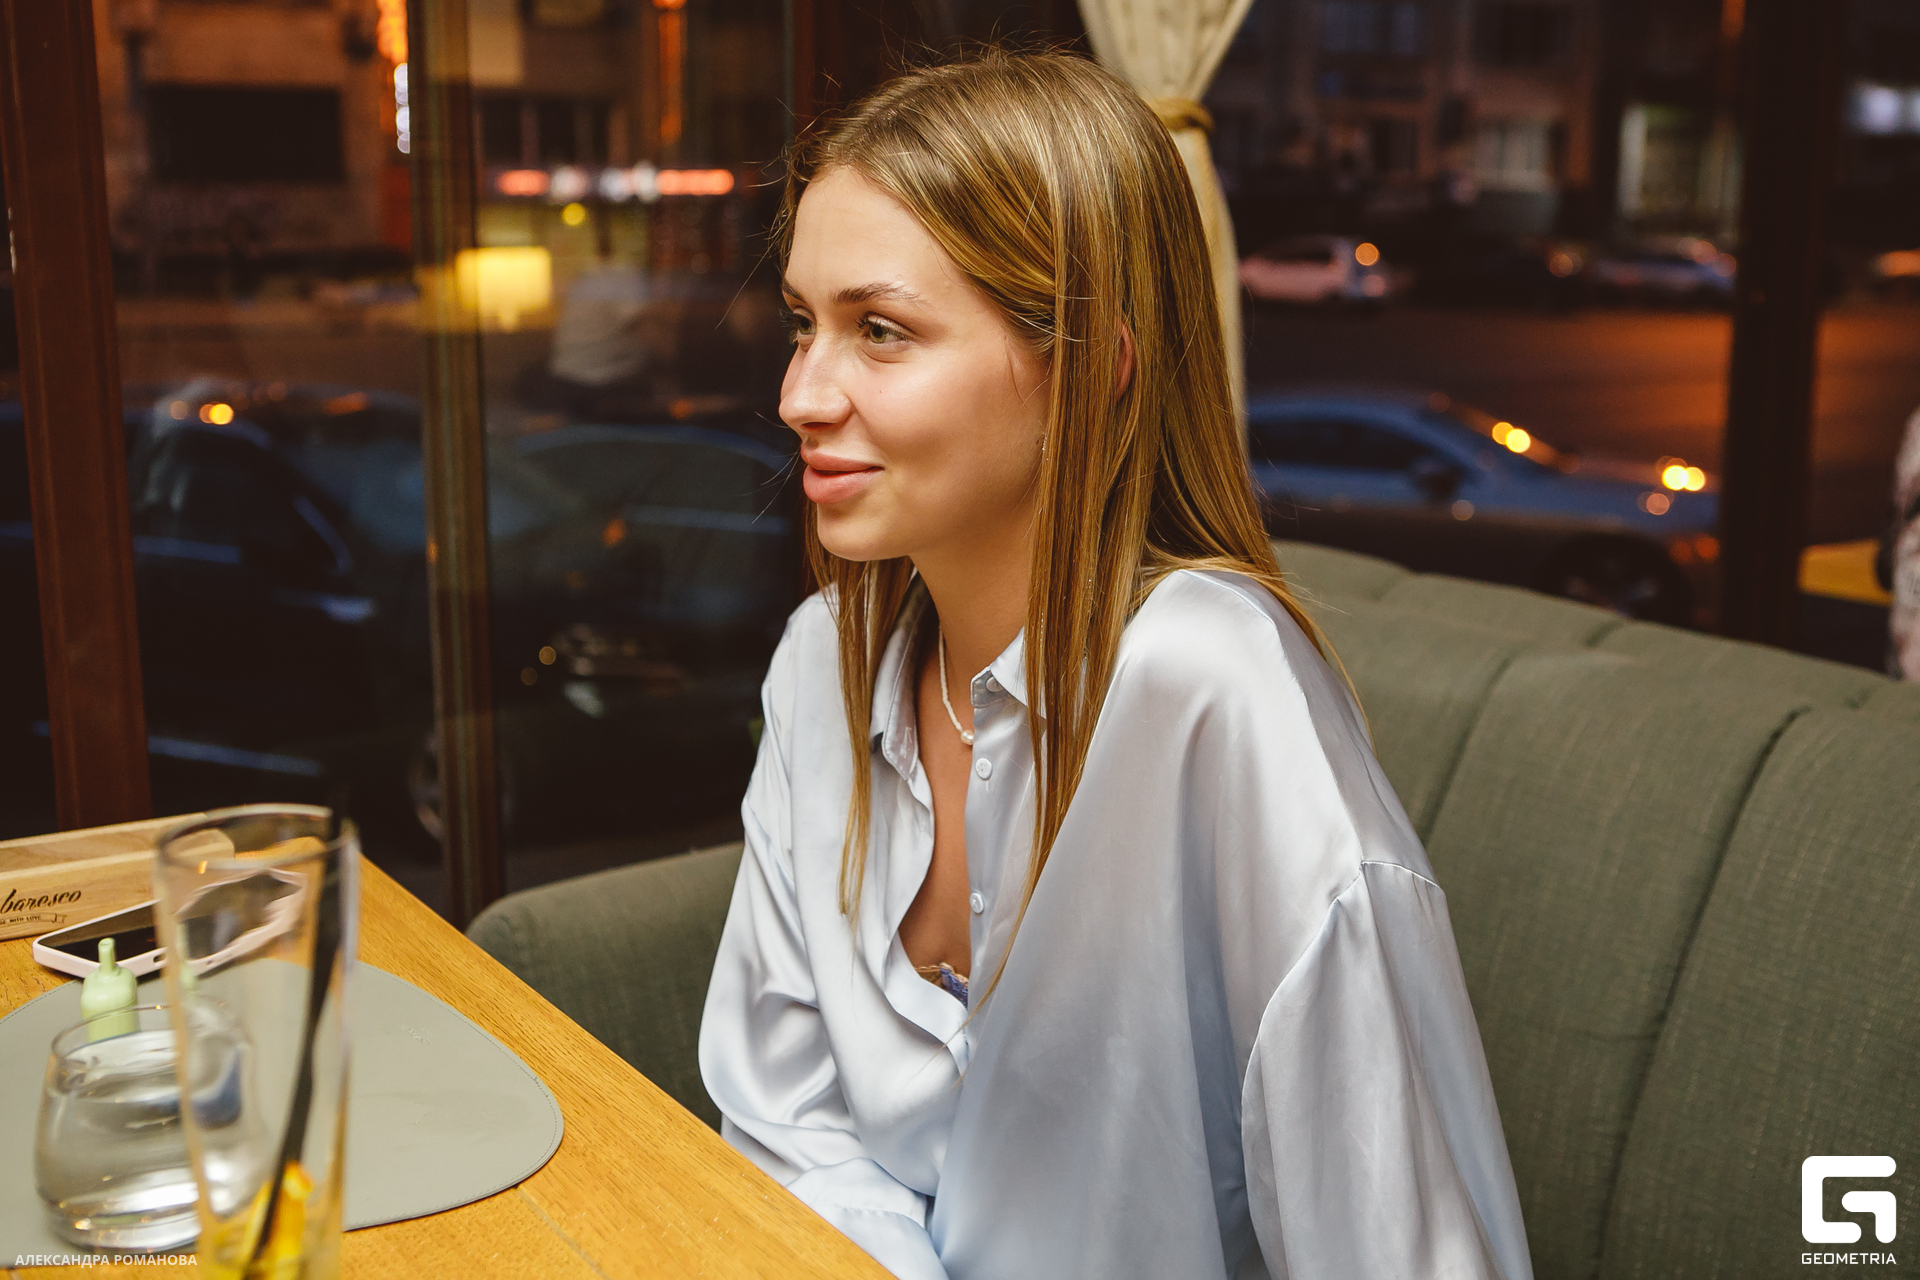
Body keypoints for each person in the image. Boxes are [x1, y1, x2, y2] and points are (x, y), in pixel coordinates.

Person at [697, 51, 1532, 1280]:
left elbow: (1396, 1245)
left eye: (880, 331)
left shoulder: (1210, 684)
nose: (799, 395)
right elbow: (791, 1133)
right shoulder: (821, 661)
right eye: (802, 324)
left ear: (1091, 366)